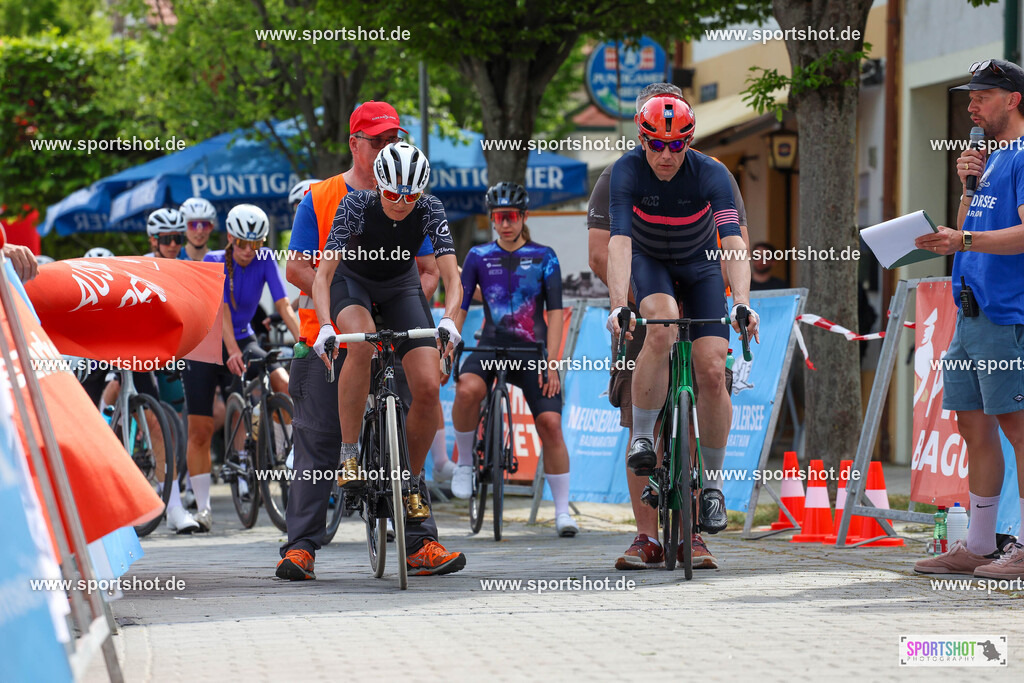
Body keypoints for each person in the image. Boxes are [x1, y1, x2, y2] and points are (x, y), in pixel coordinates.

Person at [276, 104, 451, 582]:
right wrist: (342, 305)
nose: (384, 148)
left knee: (419, 406)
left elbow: (429, 271)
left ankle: (420, 542)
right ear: (354, 144)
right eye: (375, 141)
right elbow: (297, 268)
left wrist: (397, 306)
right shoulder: (322, 196)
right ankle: (301, 548)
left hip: (394, 323)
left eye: (392, 139)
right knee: (317, 437)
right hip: (329, 330)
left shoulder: (413, 193)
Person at [589, 83, 749, 570]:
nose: (665, 153)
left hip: (700, 269)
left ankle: (712, 494)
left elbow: (734, 240)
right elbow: (613, 246)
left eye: (676, 143)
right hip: (648, 272)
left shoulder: (714, 173)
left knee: (712, 367)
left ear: (689, 139)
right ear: (640, 133)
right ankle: (644, 528)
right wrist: (621, 303)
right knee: (661, 327)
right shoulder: (621, 173)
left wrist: (741, 301)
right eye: (655, 143)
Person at [311, 141, 466, 577]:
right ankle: (349, 453)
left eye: (410, 195)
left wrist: (450, 320)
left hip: (401, 287)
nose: (401, 203)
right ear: (379, 184)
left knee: (428, 385)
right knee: (358, 345)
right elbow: (323, 274)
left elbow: (453, 278)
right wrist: (325, 325)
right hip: (353, 284)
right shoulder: (355, 205)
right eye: (393, 193)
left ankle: (412, 483)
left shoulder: (429, 208)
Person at [914, 58, 1024, 579]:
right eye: (970, 97)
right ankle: (979, 545)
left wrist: (966, 240)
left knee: (1019, 429)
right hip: (971, 314)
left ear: (1013, 100)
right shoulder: (991, 159)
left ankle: (1021, 546)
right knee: (971, 425)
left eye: (982, 96)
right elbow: (968, 224)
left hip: (1008, 315)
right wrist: (965, 191)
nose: (971, 106)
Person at [449, 182, 577, 536]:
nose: (505, 224)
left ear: (523, 217)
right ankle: (464, 464)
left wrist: (552, 362)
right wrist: (449, 338)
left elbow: (553, 315)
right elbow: (459, 308)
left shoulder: (544, 257)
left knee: (550, 424)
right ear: (492, 218)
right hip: (489, 345)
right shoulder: (478, 256)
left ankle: (562, 512)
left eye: (512, 217)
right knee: (466, 390)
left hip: (531, 350)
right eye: (499, 217)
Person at [183, 204, 300, 532]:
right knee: (201, 429)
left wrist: (306, 339)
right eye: (243, 244)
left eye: (257, 244)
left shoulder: (263, 260)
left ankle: (284, 451)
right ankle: (203, 507)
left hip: (243, 337)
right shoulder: (213, 261)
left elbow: (282, 304)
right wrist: (231, 352)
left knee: (281, 379)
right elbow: (219, 311)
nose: (249, 251)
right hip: (206, 342)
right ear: (231, 238)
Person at [179, 197, 218, 261]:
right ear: (183, 227)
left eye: (205, 224)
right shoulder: (173, 258)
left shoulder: (217, 260)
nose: (199, 231)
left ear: (211, 227)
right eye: (193, 225)